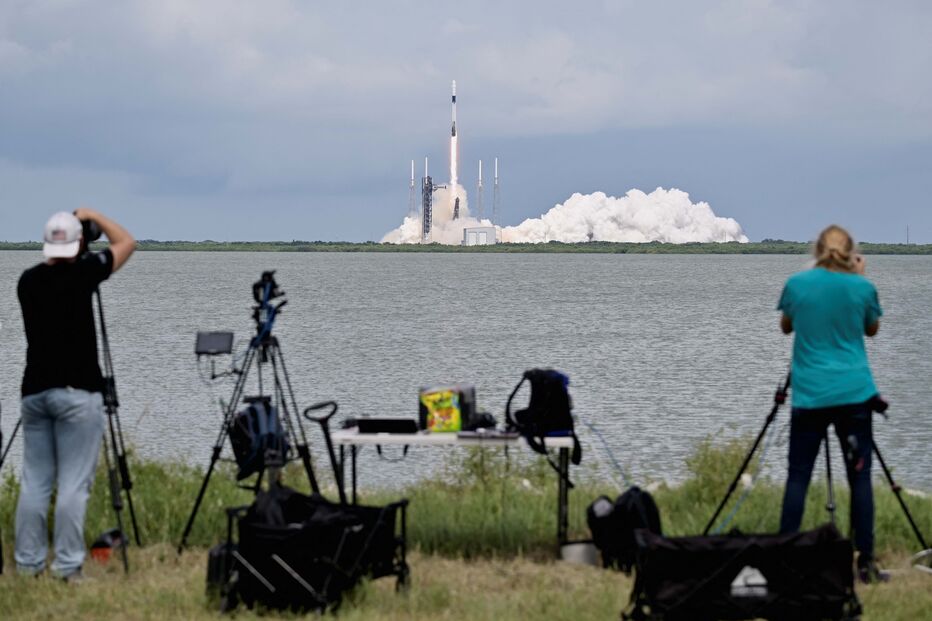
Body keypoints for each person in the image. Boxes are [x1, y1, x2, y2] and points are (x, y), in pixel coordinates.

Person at [15, 208, 135, 580]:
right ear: (80, 243)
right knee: (73, 484)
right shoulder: (85, 274)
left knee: (35, 482)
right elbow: (126, 243)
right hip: (78, 393)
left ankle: (28, 565)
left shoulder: (27, 281)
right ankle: (67, 566)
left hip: (35, 393)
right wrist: (92, 214)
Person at [777, 224, 886, 584]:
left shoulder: (797, 284)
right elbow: (871, 329)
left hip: (809, 395)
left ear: (817, 250)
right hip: (855, 394)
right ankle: (865, 563)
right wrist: (859, 278)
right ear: (852, 252)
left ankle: (784, 561)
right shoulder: (862, 287)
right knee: (860, 478)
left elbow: (786, 326)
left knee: (797, 476)